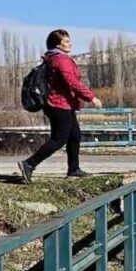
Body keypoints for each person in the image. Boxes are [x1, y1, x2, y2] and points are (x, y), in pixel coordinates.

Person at [19, 29, 102, 183]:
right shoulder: (61, 59)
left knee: (74, 135)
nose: (70, 44)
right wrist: (91, 97)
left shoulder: (52, 58)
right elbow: (72, 82)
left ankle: (74, 168)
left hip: (63, 103)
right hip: (58, 104)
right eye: (66, 41)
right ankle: (29, 164)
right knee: (59, 139)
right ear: (57, 44)